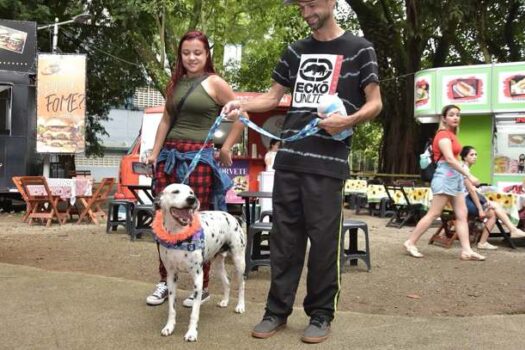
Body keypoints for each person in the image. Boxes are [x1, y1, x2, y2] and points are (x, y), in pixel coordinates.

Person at [223, 0, 382, 343]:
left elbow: (375, 103)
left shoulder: (360, 49)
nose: (305, 11)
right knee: (284, 242)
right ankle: (276, 312)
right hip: (290, 159)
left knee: (324, 244)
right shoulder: (295, 51)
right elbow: (271, 97)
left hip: (328, 165)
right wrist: (241, 104)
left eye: (311, 3)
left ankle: (321, 314)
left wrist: (349, 119)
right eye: (300, 6)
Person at [144, 31, 244, 308]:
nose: (191, 57)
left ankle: (204, 286)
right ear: (180, 55)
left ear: (207, 54)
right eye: (186, 52)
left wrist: (225, 149)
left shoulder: (215, 82)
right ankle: (165, 281)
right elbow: (165, 120)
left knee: (195, 220)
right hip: (169, 157)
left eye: (197, 52)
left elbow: (241, 116)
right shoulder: (174, 82)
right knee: (163, 219)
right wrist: (154, 153)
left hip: (198, 157)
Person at [403, 105, 486, 261]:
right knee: (434, 213)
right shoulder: (442, 135)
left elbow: (454, 160)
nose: (456, 117)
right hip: (445, 177)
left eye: (458, 115)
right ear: (444, 118)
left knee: (462, 215)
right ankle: (410, 241)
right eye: (452, 115)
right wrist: (469, 175)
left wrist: (464, 176)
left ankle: (466, 250)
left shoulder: (451, 135)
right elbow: (449, 158)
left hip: (455, 178)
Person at [460, 146, 525, 249]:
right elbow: (472, 190)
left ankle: (511, 230)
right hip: (463, 202)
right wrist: (481, 209)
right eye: (471, 155)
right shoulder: (463, 169)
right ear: (464, 157)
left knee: (494, 211)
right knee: (493, 211)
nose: (475, 157)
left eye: (476, 154)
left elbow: (472, 186)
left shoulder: (465, 168)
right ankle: (510, 230)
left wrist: (475, 185)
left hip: (465, 200)